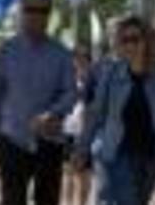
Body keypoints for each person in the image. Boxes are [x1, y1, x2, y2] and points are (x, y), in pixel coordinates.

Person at [0, 0, 78, 205]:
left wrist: (53, 113)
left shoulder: (61, 54)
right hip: (12, 139)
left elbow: (71, 92)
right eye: (30, 9)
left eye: (42, 10)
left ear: (49, 15)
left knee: (48, 200)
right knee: (12, 199)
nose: (36, 15)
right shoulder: (6, 52)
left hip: (49, 141)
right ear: (21, 13)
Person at [77, 16, 155, 205]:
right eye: (124, 40)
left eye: (135, 39)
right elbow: (95, 113)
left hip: (149, 158)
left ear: (147, 41)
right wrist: (82, 148)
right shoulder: (111, 74)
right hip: (115, 153)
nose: (129, 45)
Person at [62, 47, 92, 205]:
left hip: (86, 133)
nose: (78, 64)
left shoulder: (94, 83)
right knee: (69, 172)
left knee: (84, 174)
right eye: (76, 61)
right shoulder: (67, 82)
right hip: (69, 131)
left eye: (82, 61)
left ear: (88, 63)